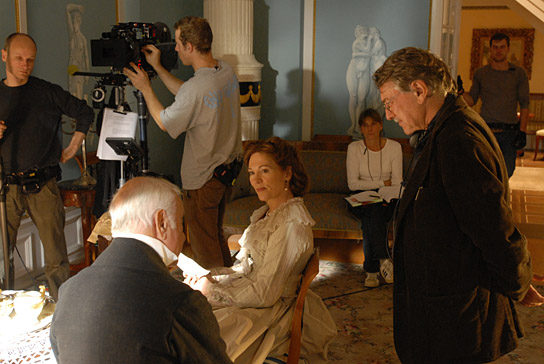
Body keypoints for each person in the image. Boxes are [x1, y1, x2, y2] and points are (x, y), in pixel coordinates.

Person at [372, 46, 543, 363]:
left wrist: (517, 281)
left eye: (389, 103)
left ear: (420, 90)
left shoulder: (458, 138)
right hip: (442, 300)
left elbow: (493, 226)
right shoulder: (440, 130)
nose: (389, 115)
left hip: (455, 311)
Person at [185, 137, 337, 364]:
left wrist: (213, 292)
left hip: (270, 313)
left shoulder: (291, 225)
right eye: (251, 172)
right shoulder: (267, 213)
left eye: (264, 171)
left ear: (287, 173)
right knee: (184, 309)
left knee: (191, 332)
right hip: (257, 296)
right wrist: (212, 278)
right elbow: (246, 268)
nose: (256, 180)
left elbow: (266, 293)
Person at [50, 176, 233, 364]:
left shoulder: (69, 290)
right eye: (180, 223)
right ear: (162, 222)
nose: (182, 236)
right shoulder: (181, 301)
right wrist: (194, 302)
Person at [124, 16, 242, 269]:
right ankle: (229, 285)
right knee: (214, 237)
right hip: (225, 173)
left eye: (178, 43)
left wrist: (145, 88)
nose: (175, 48)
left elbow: (166, 122)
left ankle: (216, 301)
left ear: (189, 46)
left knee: (204, 247)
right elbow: (189, 94)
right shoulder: (224, 70)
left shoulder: (198, 88)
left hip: (203, 180)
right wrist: (157, 68)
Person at [0, 33, 93, 300]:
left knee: (56, 257)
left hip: (43, 185)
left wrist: (74, 144)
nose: (24, 65)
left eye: (30, 60)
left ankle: (63, 308)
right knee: (3, 255)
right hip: (7, 187)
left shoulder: (47, 92)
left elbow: (85, 112)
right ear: (4, 55)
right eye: (18, 58)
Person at [346, 108, 402, 287]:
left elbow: (397, 182)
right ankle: (385, 259)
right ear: (361, 129)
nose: (369, 129)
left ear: (380, 126)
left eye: (373, 124)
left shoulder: (394, 148)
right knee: (372, 208)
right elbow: (352, 185)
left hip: (388, 198)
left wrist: (385, 187)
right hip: (359, 199)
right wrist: (381, 183)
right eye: (365, 125)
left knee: (372, 213)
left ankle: (371, 272)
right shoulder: (354, 148)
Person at [462, 32, 530, 177]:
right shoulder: (481, 73)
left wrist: (522, 132)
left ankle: (501, 199)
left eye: (502, 47)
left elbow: (525, 104)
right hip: (486, 130)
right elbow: (471, 100)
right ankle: (489, 199)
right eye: (495, 47)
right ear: (490, 49)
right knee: (485, 171)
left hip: (509, 133)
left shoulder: (519, 73)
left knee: (507, 171)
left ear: (508, 48)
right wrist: (459, 91)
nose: (498, 50)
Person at [346, 25, 372, 138]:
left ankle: (359, 126)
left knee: (362, 99)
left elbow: (368, 52)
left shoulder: (367, 43)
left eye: (364, 30)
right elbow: (367, 51)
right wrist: (370, 40)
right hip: (354, 69)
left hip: (365, 69)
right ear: (357, 33)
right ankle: (353, 125)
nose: (363, 32)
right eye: (361, 31)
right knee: (353, 96)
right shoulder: (357, 43)